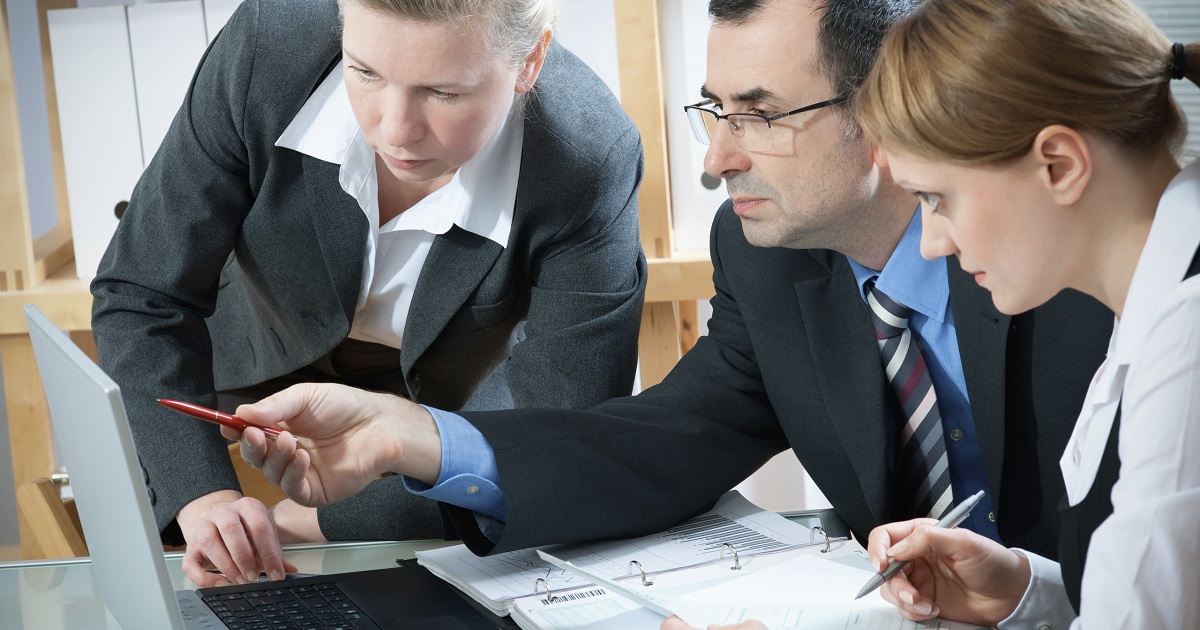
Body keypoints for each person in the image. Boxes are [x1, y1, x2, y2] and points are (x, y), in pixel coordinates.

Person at [230, 0, 1111, 591]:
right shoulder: (768, 255)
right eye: (713, 111)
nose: (715, 159)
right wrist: (412, 437)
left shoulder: (1069, 250)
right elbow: (665, 442)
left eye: (759, 117)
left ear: (886, 108)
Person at [90, 0, 647, 588]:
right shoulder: (266, 45)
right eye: (365, 73)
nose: (394, 129)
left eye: (444, 92)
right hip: (251, 349)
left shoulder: (590, 155)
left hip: (454, 402)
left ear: (530, 59)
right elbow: (141, 293)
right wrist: (204, 497)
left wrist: (310, 522)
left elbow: (558, 439)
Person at [848, 0, 1200, 627]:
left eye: (937, 197)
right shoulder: (1155, 299)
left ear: (1058, 165)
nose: (932, 244)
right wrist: (1023, 590)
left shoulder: (1190, 335)